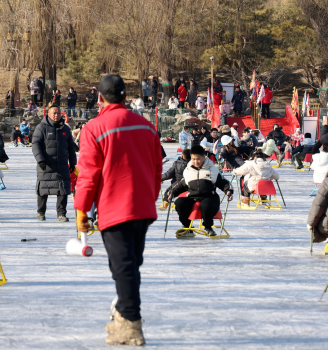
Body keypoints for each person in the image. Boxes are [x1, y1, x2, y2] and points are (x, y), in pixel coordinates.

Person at [74, 73, 160, 346]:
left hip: (115, 207)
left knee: (123, 267)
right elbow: (157, 168)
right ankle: (123, 315)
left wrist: (81, 211)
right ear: (125, 95)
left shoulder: (94, 129)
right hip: (142, 207)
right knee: (131, 264)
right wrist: (150, 197)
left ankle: (131, 323)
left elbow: (88, 175)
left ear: (100, 98)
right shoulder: (147, 126)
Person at [171, 145, 233, 238]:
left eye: (198, 159)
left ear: (204, 157)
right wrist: (172, 193)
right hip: (193, 197)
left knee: (205, 205)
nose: (196, 162)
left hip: (210, 197)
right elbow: (181, 185)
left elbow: (223, 183)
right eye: (193, 159)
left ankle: (208, 227)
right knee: (179, 202)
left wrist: (228, 191)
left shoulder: (213, 170)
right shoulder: (188, 171)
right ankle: (188, 227)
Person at [32, 105, 77, 222]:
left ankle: (61, 214)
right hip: (46, 165)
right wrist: (40, 160)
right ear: (48, 114)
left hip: (62, 165)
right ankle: (41, 213)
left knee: (63, 190)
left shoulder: (66, 129)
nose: (56, 115)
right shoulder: (41, 128)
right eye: (54, 113)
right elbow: (35, 145)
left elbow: (71, 147)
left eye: (58, 113)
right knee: (43, 189)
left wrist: (73, 162)